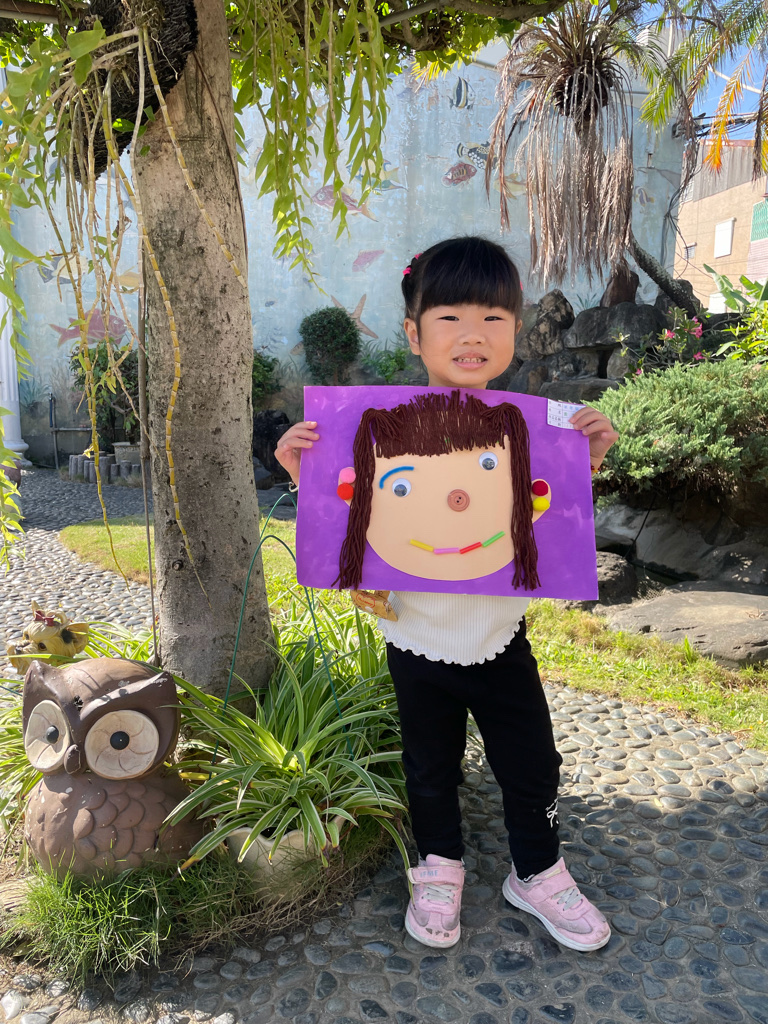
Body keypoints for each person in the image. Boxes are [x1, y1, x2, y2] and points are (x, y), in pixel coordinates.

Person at [275, 236, 619, 953]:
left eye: (494, 318)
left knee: (533, 764)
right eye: (451, 318)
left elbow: (545, 514)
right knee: (429, 768)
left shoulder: (533, 429)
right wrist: (308, 471)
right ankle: (439, 865)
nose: (473, 335)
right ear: (414, 334)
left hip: (500, 640)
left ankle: (538, 869)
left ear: (516, 331)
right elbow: (353, 514)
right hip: (415, 638)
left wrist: (583, 460)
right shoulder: (375, 427)